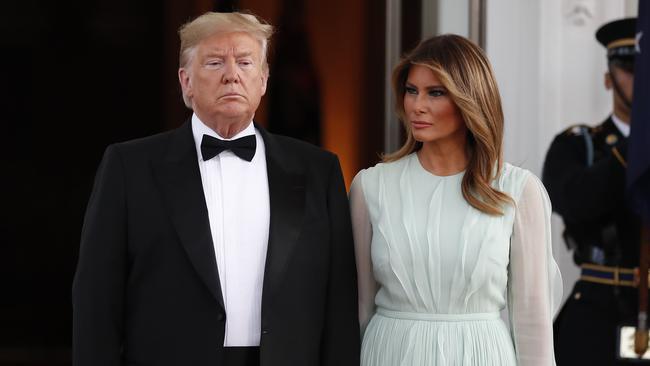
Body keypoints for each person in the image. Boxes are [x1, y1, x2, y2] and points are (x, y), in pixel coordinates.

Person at [72, 11, 360, 366]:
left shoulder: (319, 170)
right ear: (185, 81)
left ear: (264, 79)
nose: (232, 75)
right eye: (214, 62)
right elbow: (96, 298)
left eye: (245, 62)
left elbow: (340, 301)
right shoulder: (129, 168)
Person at [350, 34, 563, 365]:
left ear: (470, 99)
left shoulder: (518, 191)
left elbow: (533, 323)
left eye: (436, 92)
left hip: (481, 354)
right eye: (411, 90)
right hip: (388, 353)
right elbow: (360, 308)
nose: (417, 105)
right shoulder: (371, 187)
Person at [543, 17, 641, 365]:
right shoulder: (579, 144)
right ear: (608, 78)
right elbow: (574, 200)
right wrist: (636, 145)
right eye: (630, 69)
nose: (641, 79)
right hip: (601, 306)